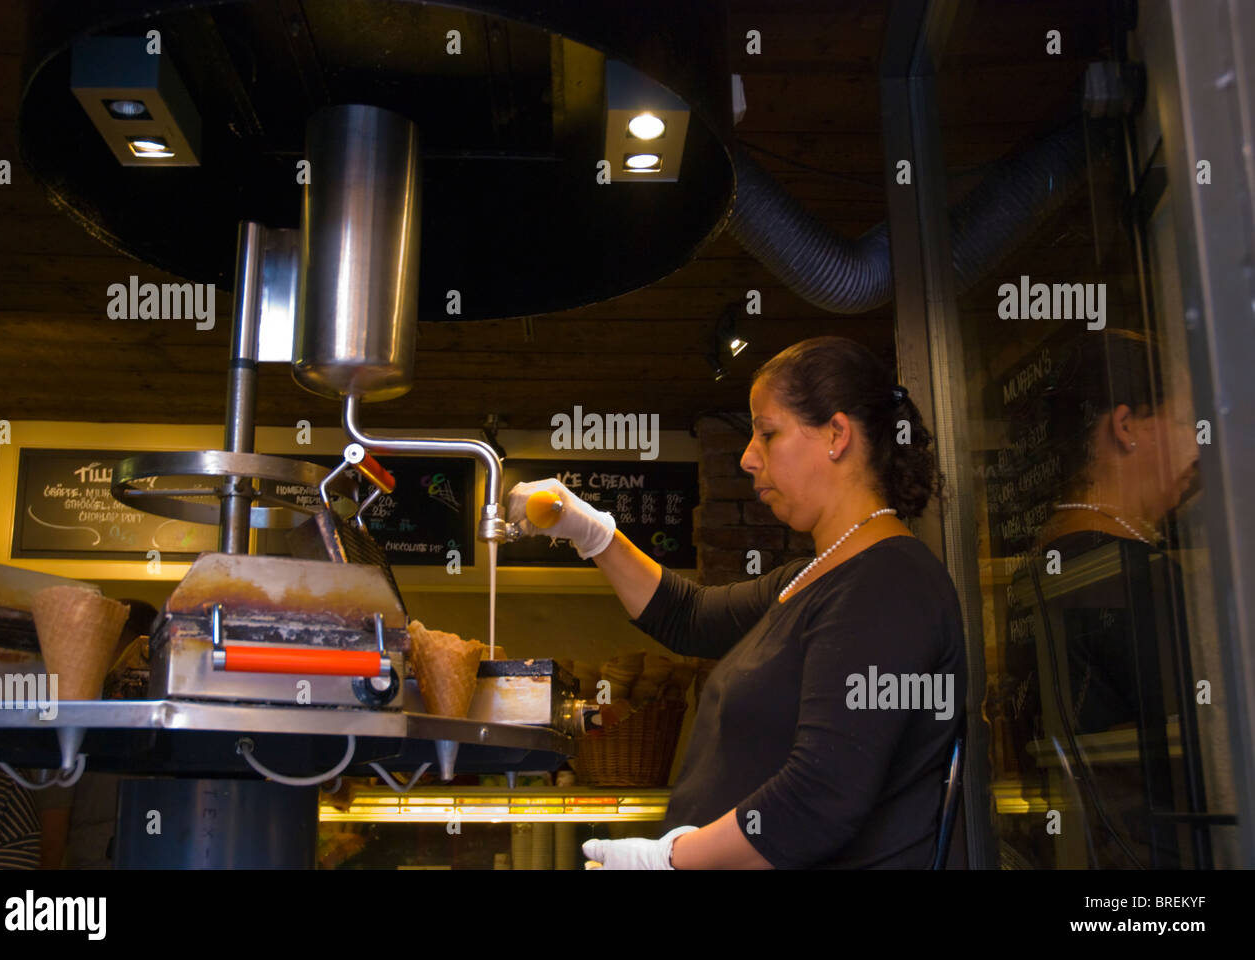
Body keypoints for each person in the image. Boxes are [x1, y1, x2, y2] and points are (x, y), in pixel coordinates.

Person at [507, 336, 966, 869]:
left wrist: (672, 858)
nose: (749, 457)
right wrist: (590, 531)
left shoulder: (888, 585)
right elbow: (688, 617)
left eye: (768, 434)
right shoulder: (811, 578)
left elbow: (820, 797)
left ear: (837, 435)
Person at [1006, 329, 1202, 868]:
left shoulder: (1045, 566)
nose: (1197, 444)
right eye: (1184, 421)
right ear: (1125, 426)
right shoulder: (1128, 573)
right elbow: (1213, 753)